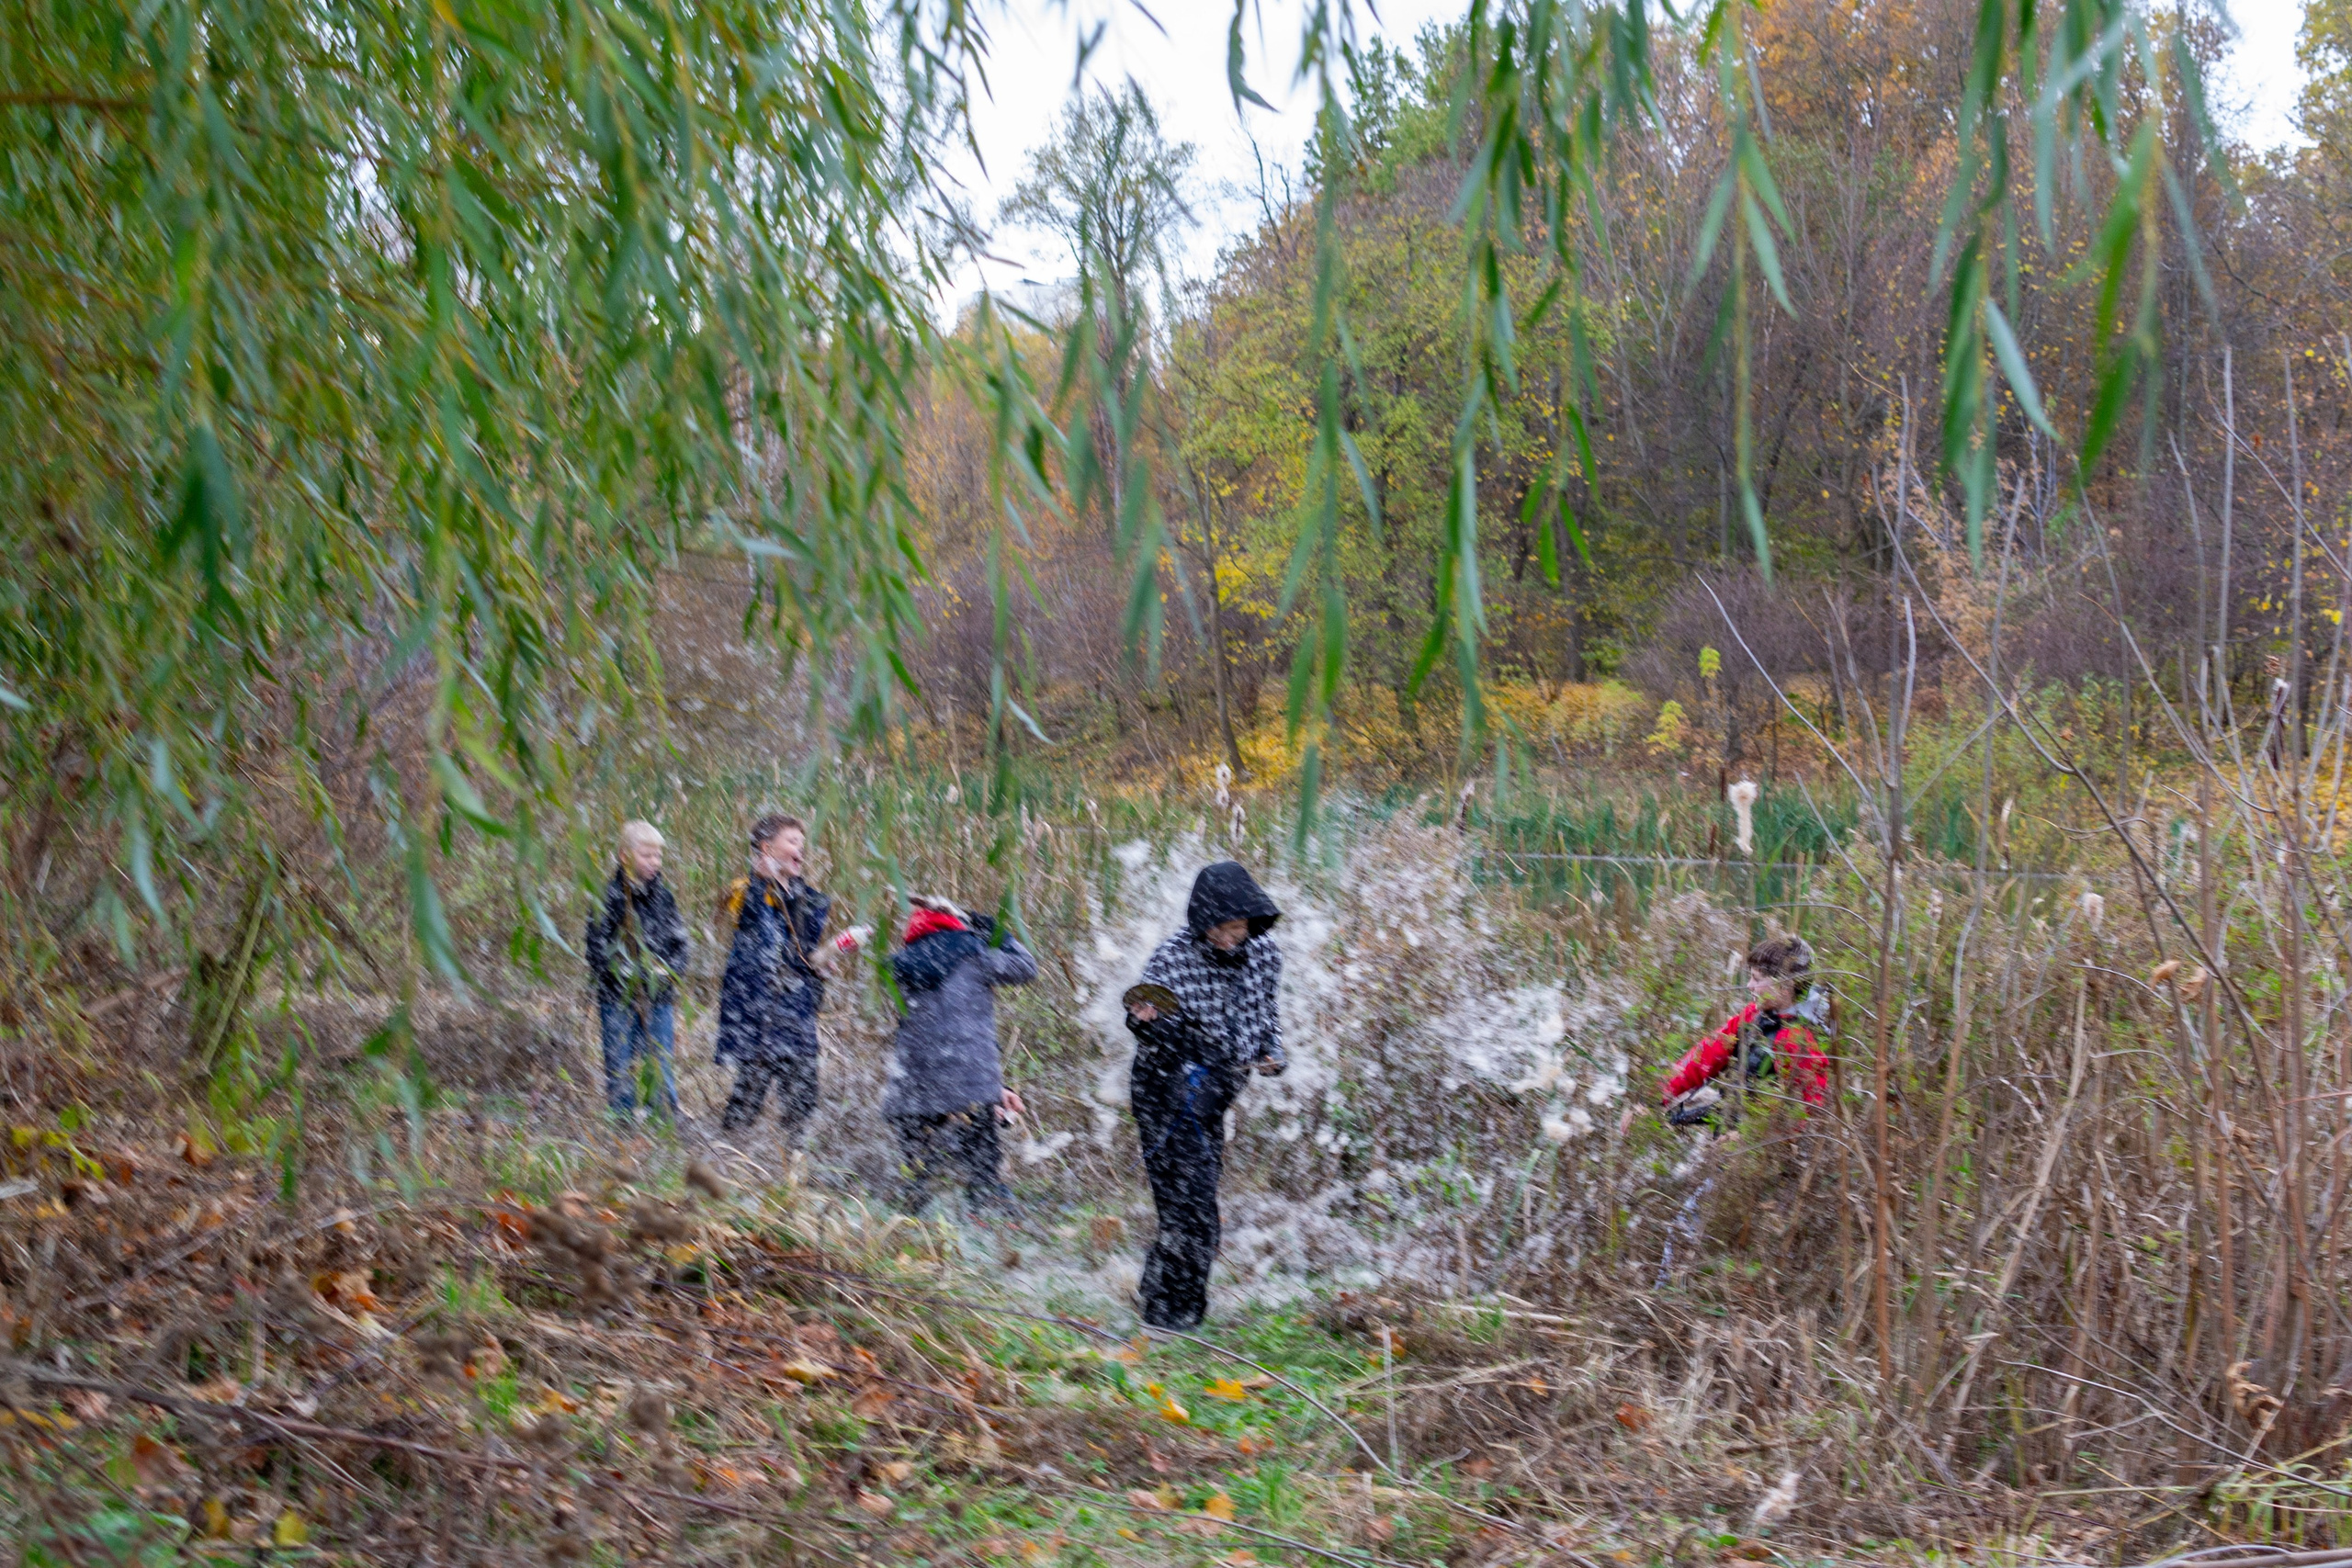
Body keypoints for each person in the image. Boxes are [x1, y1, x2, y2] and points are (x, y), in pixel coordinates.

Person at [1122, 861, 1287, 1334]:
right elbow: (1143, 1018)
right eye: (1220, 928)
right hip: (1164, 1089)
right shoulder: (1172, 957)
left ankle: (1157, 1295)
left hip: (1215, 1094)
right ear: (1203, 921)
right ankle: (1173, 1320)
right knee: (1192, 1210)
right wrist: (1146, 1020)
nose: (1229, 938)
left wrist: (1273, 1053)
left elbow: (1267, 1017)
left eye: (1238, 928)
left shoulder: (1266, 955)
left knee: (1191, 1206)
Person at [880, 894, 1037, 1215]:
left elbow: (931, 1030)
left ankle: (913, 1227)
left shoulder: (898, 967)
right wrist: (990, 928)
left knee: (920, 1175)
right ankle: (989, 1222)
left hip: (911, 1090)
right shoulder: (976, 955)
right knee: (983, 1173)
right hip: (969, 1086)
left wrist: (997, 1088)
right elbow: (1027, 967)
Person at [716, 812, 865, 1142]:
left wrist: (823, 961)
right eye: (793, 841)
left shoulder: (806, 898)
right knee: (750, 1092)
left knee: (803, 1096)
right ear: (767, 848)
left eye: (802, 842)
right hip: (758, 1012)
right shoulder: (746, 892)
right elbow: (753, 933)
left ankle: (795, 1158)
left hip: (796, 1010)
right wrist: (760, 879)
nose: (801, 848)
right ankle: (728, 1154)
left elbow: (802, 955)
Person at [1659, 934, 1829, 1126]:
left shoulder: (1798, 1041)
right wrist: (1658, 1094)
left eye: (1757, 979)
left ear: (1785, 986)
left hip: (1762, 1139)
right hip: (1739, 1125)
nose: (1749, 985)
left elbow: (1810, 1117)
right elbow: (1705, 1055)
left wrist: (1741, 1135)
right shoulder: (1753, 1014)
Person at [583, 820, 691, 1121]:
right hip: (617, 997)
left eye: (658, 856)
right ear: (624, 856)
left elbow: (680, 941)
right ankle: (622, 1117)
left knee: (660, 1056)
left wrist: (670, 973)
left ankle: (664, 1114)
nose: (654, 862)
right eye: (646, 855)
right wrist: (624, 975)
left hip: (659, 996)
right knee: (619, 1060)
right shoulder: (608, 897)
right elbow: (596, 948)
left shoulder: (664, 897)